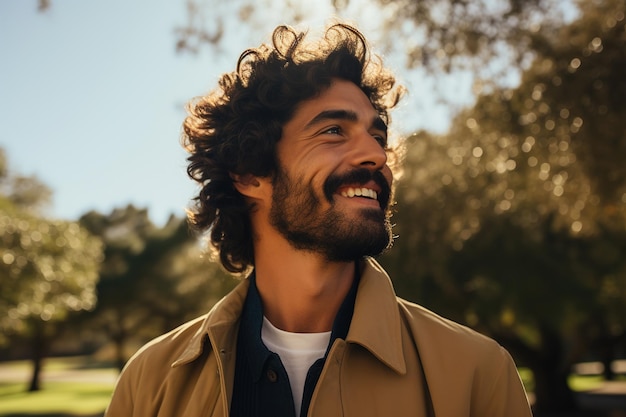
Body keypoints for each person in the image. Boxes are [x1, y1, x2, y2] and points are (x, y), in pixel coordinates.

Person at [105, 22, 533, 417]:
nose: (378, 155)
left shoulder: (477, 374)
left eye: (378, 135)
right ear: (250, 173)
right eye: (333, 131)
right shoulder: (150, 382)